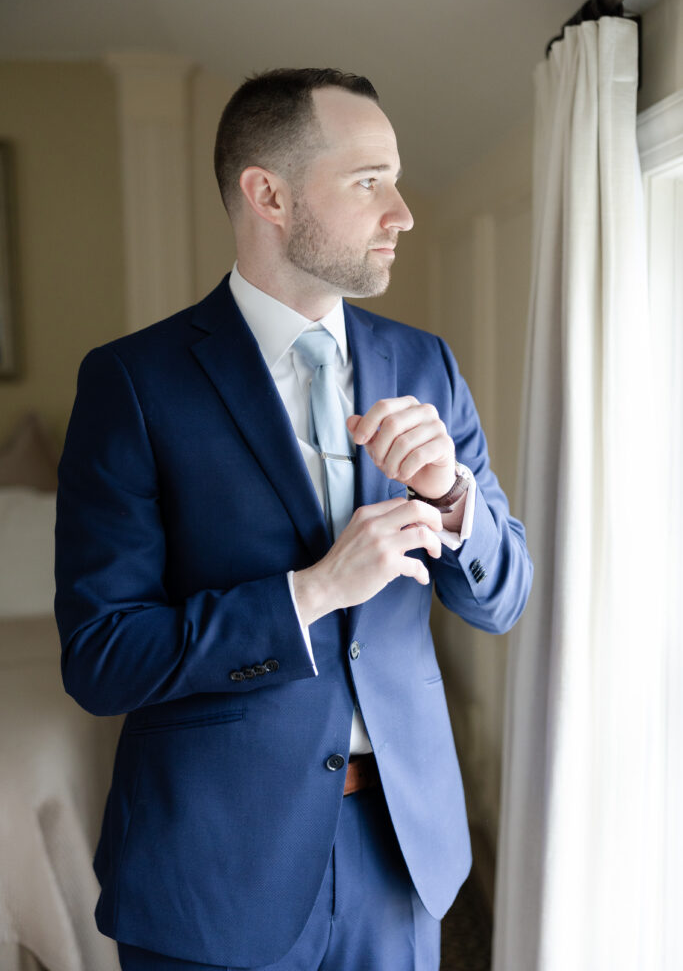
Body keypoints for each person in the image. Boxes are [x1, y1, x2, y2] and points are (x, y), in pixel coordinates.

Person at [55, 68, 532, 971]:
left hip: (401, 857)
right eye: (368, 181)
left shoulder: (424, 364)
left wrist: (455, 505)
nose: (402, 212)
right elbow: (102, 658)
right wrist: (309, 593)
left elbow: (503, 599)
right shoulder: (133, 383)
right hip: (213, 870)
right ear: (268, 194)